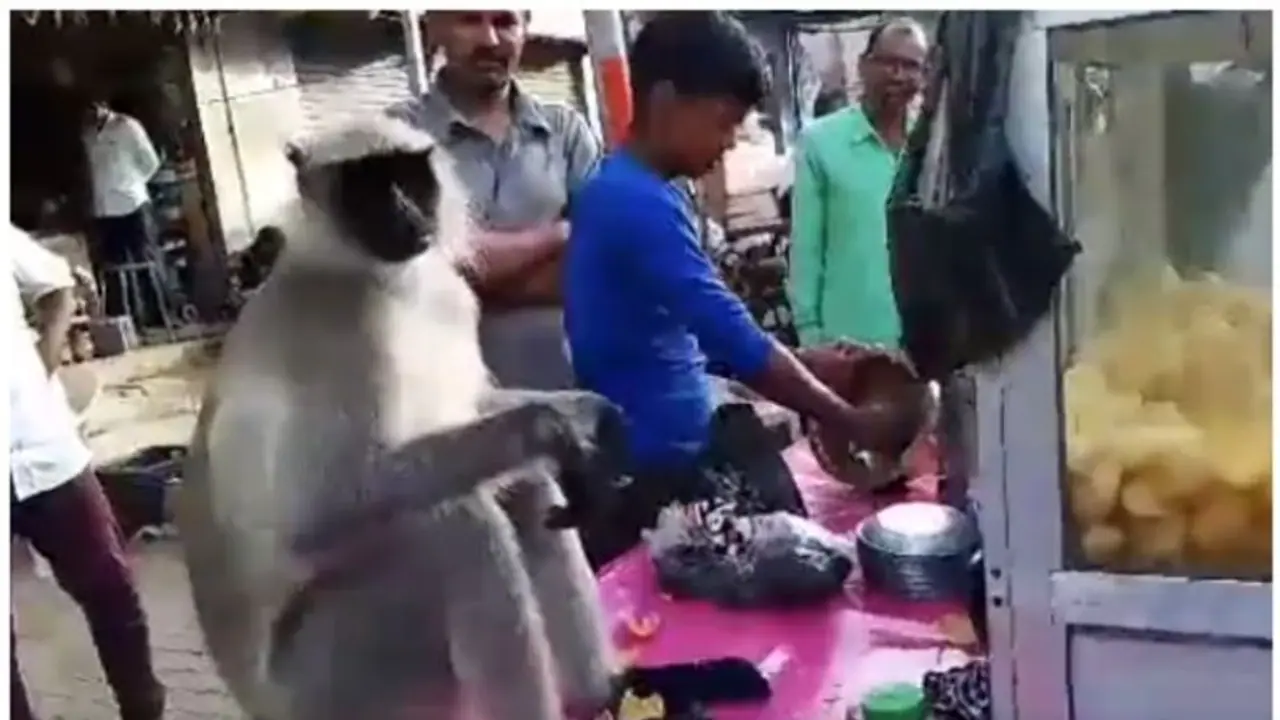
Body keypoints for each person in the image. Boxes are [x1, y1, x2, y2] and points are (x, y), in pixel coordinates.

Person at [565, 12, 906, 567]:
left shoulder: (653, 191)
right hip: (650, 476)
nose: (727, 144)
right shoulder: (632, 200)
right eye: (724, 122)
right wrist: (848, 418)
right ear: (667, 100)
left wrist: (806, 360)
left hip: (675, 447)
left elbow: (689, 345)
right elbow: (736, 339)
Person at [389, 10, 601, 390]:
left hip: (570, 392)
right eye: (469, 20)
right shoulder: (398, 138)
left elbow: (602, 267)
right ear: (434, 27)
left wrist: (463, 276)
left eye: (505, 21)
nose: (489, 39)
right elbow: (404, 278)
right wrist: (558, 234)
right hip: (447, 405)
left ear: (526, 27)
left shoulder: (565, 132)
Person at [7, 227, 165, 720]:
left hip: (45, 449)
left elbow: (57, 288)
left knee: (111, 592)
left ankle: (143, 710)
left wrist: (42, 365)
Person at [787, 17, 928, 348]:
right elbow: (806, 251)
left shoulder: (932, 144)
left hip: (925, 346)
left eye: (910, 66)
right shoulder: (821, 143)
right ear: (864, 66)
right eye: (888, 62)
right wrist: (812, 340)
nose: (898, 75)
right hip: (850, 349)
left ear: (924, 76)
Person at [81, 95, 174, 328]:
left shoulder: (126, 126)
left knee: (145, 262)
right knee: (115, 268)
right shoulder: (88, 134)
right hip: (105, 210)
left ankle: (161, 317)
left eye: (93, 107)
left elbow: (150, 162)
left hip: (132, 204)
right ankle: (128, 320)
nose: (90, 114)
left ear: (103, 104)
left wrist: (132, 183)